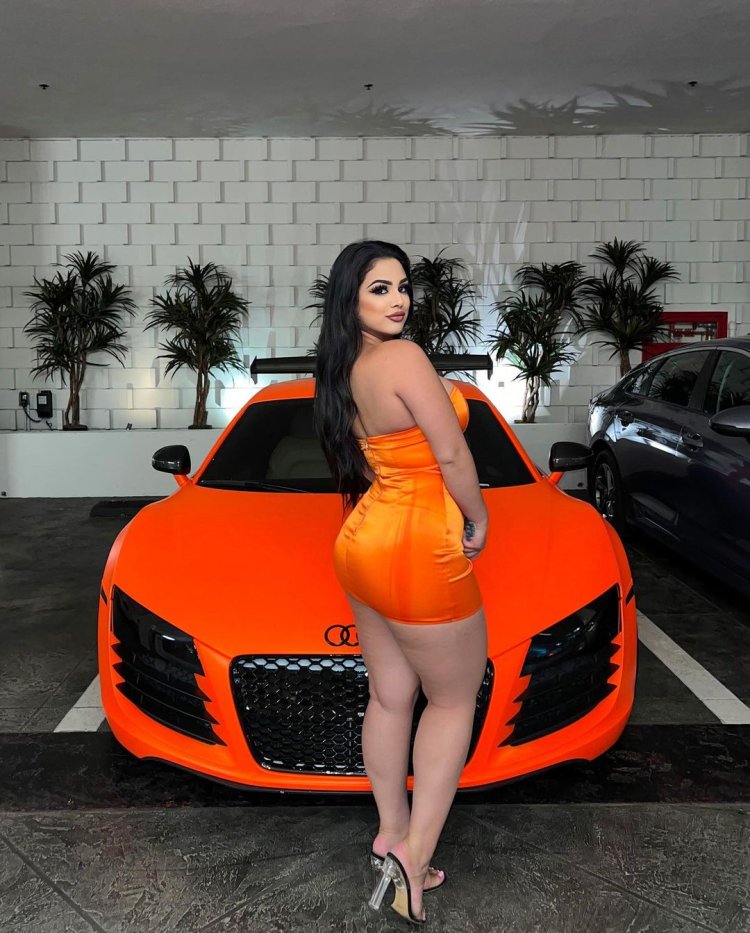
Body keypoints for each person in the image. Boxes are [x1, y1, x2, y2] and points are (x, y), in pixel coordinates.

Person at [313, 240, 489, 925]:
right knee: (451, 699)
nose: (398, 300)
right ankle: (416, 855)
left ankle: (390, 832)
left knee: (390, 696)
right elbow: (451, 453)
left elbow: (372, 459)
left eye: (402, 286)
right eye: (379, 288)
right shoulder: (404, 358)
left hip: (363, 540)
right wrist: (478, 517)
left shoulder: (343, 366)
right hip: (419, 547)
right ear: (350, 298)